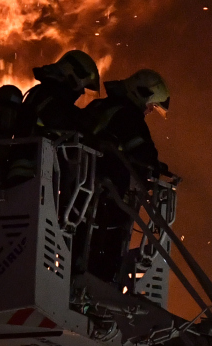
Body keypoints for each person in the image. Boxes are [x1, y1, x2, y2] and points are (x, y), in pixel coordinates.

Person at [76, 69, 171, 284]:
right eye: (151, 105)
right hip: (106, 200)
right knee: (104, 259)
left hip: (79, 193)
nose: (149, 110)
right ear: (142, 94)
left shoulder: (99, 107)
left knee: (78, 246)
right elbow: (145, 157)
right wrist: (155, 170)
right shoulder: (129, 116)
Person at [0, 50, 101, 183]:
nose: (82, 92)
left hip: (39, 168)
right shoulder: (47, 93)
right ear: (74, 74)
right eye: (83, 87)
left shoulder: (50, 93)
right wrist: (87, 123)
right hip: (28, 167)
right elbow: (58, 118)